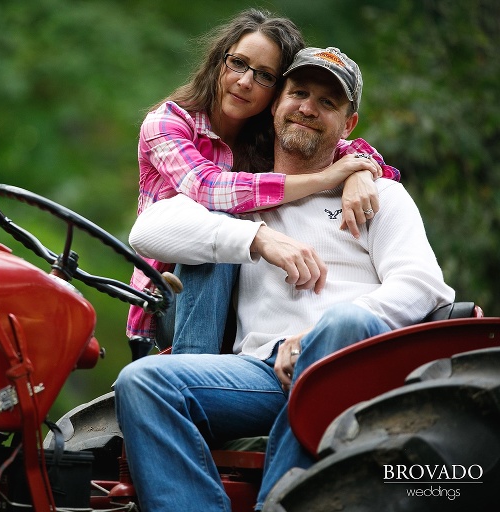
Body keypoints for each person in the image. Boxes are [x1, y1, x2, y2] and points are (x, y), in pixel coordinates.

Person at [115, 46, 455, 511]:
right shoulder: (240, 195)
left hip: (350, 367)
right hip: (260, 375)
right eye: (298, 93)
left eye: (328, 102)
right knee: (142, 382)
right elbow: (148, 231)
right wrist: (256, 237)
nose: (308, 108)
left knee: (345, 324)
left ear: (349, 125)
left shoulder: (380, 196)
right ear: (276, 103)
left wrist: (316, 337)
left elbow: (423, 284)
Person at [126, 9, 401, 353]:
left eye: (265, 76)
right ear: (219, 61)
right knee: (220, 221)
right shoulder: (168, 123)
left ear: (277, 94)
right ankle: (193, 368)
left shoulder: (269, 138)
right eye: (238, 63)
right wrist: (323, 179)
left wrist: (359, 171)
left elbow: (343, 147)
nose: (245, 81)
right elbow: (207, 189)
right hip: (173, 293)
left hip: (245, 295)